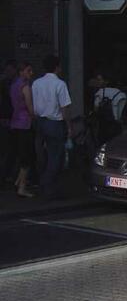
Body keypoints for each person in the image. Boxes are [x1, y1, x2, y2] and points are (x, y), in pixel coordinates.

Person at [32, 55, 73, 200]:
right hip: (55, 123)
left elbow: (34, 105)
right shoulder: (60, 84)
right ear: (57, 67)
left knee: (42, 155)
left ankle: (41, 184)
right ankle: (48, 187)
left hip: (40, 121)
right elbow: (65, 108)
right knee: (56, 156)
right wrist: (69, 127)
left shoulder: (36, 83)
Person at [10, 62, 35, 197]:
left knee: (21, 154)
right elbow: (30, 107)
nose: (31, 73)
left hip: (15, 123)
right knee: (27, 157)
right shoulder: (25, 87)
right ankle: (22, 187)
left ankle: (18, 181)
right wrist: (34, 117)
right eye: (28, 70)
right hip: (25, 123)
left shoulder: (13, 86)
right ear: (21, 72)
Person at [0, 60, 17, 187]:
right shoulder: (5, 84)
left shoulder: (11, 83)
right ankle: (4, 176)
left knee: (10, 150)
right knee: (7, 150)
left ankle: (7, 175)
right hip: (6, 120)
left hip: (11, 120)